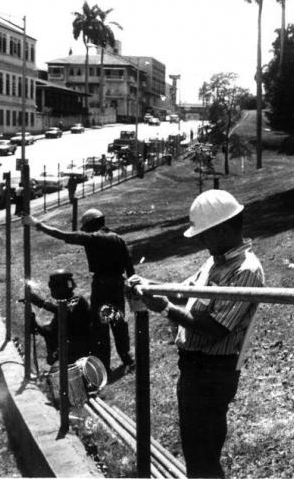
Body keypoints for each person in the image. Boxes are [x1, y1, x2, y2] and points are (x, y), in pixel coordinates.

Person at [128, 189, 264, 478]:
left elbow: (215, 328)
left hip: (214, 372)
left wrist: (165, 308)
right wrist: (150, 284)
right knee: (195, 452)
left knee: (204, 457)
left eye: (205, 234)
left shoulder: (245, 271)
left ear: (225, 228)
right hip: (194, 370)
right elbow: (184, 291)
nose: (201, 240)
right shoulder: (214, 262)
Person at [24, 209, 135, 371]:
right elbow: (130, 268)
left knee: (101, 327)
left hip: (101, 286)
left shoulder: (91, 238)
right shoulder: (119, 239)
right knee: (118, 320)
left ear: (90, 225)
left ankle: (104, 366)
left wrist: (37, 224)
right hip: (117, 285)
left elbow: (62, 235)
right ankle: (127, 358)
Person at [25, 269, 91, 365]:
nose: (52, 291)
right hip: (71, 345)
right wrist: (37, 327)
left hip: (80, 349)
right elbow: (52, 332)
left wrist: (41, 303)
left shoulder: (77, 300)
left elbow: (65, 312)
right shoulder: (64, 305)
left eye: (54, 288)